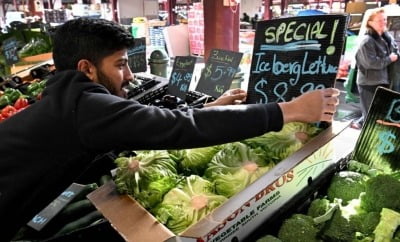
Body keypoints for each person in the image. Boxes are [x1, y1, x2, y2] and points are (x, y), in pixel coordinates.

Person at [0, 17, 340, 240]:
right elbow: (177, 127)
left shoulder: (65, 100)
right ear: (87, 68)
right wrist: (289, 110)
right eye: (120, 65)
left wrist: (203, 110)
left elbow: (144, 127)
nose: (130, 75)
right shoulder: (83, 106)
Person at [352, 8, 399, 129]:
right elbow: (371, 63)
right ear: (370, 22)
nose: (384, 22)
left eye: (385, 19)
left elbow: (395, 51)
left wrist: (395, 55)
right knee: (371, 118)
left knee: (378, 115)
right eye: (380, 20)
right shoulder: (366, 41)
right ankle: (366, 143)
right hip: (369, 84)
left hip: (382, 82)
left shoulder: (386, 37)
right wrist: (390, 59)